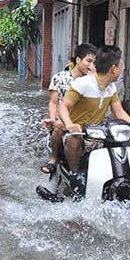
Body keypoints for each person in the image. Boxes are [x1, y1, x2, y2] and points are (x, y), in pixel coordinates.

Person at [58, 48, 130, 198]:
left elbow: (118, 112)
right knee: (73, 139)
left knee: (118, 142)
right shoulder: (83, 83)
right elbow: (63, 106)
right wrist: (70, 125)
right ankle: (75, 175)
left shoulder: (111, 88)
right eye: (120, 66)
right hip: (79, 133)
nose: (121, 69)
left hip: (98, 133)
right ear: (114, 69)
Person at [40, 43, 98, 174]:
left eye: (94, 62)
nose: (91, 65)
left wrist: (93, 80)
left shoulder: (94, 81)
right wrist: (52, 119)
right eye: (88, 61)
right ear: (78, 60)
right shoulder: (60, 78)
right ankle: (54, 159)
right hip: (64, 121)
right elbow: (53, 103)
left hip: (87, 123)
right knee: (59, 125)